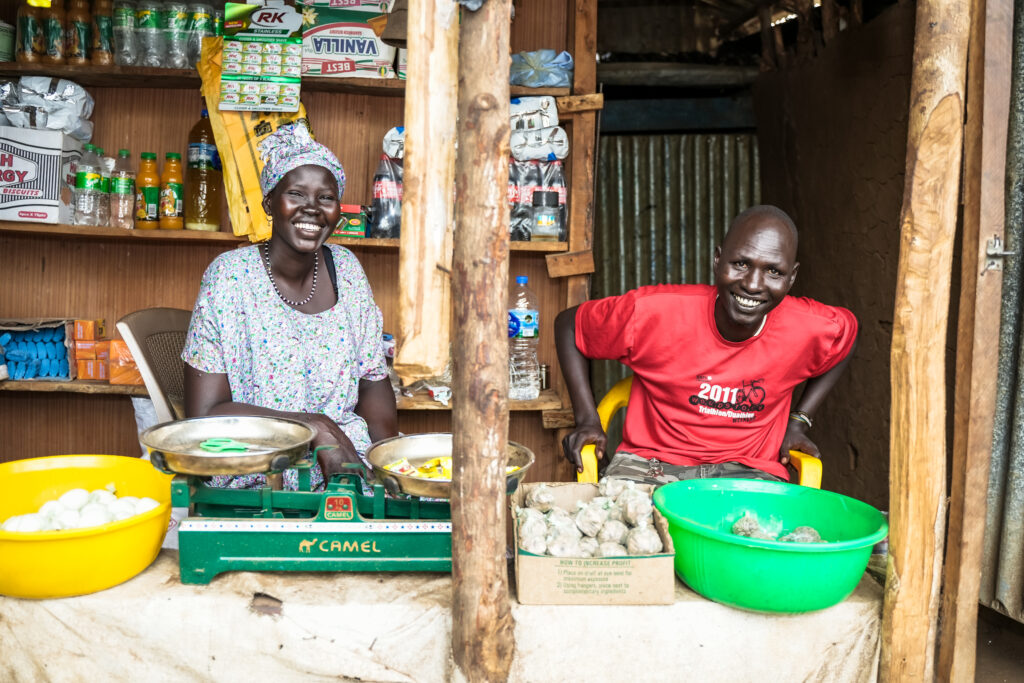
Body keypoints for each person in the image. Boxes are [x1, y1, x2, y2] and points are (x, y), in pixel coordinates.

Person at [554, 205, 857, 485]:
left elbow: (847, 338)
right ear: (717, 260)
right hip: (649, 467)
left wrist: (799, 421)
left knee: (762, 540)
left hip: (750, 473)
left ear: (791, 279)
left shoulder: (809, 326)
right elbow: (569, 325)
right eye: (740, 264)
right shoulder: (654, 313)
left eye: (773, 271)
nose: (752, 284)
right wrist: (587, 419)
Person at [182, 123, 397, 490]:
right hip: (260, 468)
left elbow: (373, 384)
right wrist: (314, 427)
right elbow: (205, 415)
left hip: (346, 465)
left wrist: (389, 464)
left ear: (337, 211)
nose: (312, 209)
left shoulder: (346, 270)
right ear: (270, 202)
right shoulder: (230, 278)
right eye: (296, 194)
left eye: (326, 198)